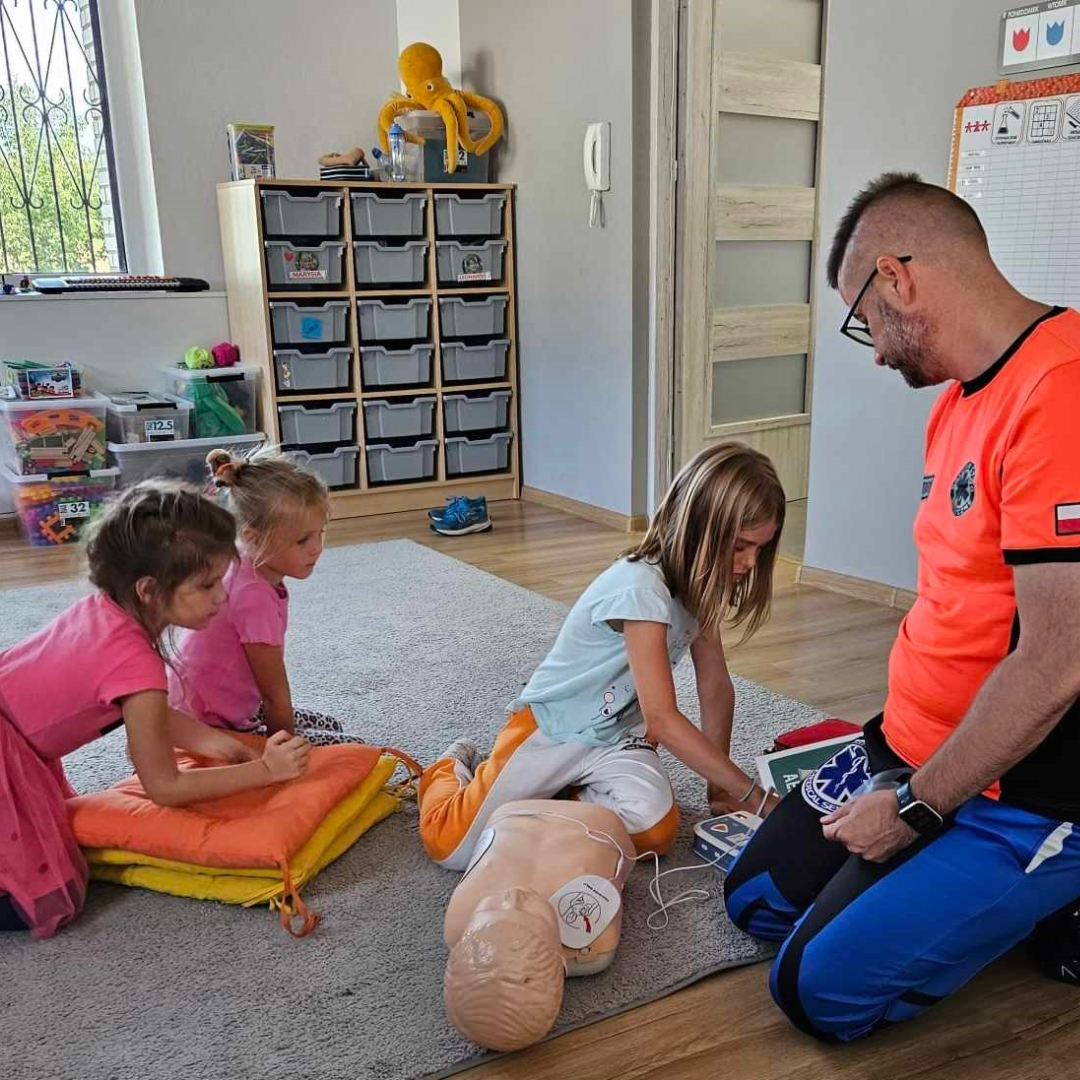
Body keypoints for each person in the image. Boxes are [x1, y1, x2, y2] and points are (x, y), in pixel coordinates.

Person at [724, 173, 1080, 1042]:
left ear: (897, 278)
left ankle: (1050, 884)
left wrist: (917, 808)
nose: (875, 351)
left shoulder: (1062, 390)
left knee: (816, 993)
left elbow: (1058, 660)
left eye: (864, 321)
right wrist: (900, 769)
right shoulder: (956, 403)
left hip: (1023, 787)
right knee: (756, 898)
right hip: (911, 745)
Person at [420, 442, 786, 871]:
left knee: (654, 833)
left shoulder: (703, 584)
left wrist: (720, 787)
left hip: (619, 737)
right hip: (555, 729)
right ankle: (449, 767)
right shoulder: (640, 588)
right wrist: (753, 796)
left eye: (760, 549)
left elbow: (716, 686)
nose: (750, 562)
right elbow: (663, 719)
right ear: (699, 527)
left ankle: (564, 792)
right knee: (452, 848)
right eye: (741, 546)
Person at [0, 482, 311, 938]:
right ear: (148, 589)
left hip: (16, 737)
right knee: (46, 895)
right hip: (8, 753)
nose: (222, 597)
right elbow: (164, 786)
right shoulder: (136, 665)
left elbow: (145, 711)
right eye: (207, 585)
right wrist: (266, 771)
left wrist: (217, 744)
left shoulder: (106, 609)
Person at [169, 449, 360, 746]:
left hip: (203, 706)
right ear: (252, 537)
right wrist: (282, 759)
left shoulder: (240, 561)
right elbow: (274, 697)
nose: (317, 548)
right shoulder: (253, 597)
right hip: (208, 724)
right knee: (351, 748)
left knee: (331, 727)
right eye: (302, 540)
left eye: (319, 533)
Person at [442, 799, 637, 1051]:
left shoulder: (457, 923)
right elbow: (625, 865)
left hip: (513, 804)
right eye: (530, 914)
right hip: (597, 812)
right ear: (561, 959)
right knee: (652, 826)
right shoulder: (593, 939)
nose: (514, 896)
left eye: (490, 908)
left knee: (444, 843)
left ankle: (453, 774)